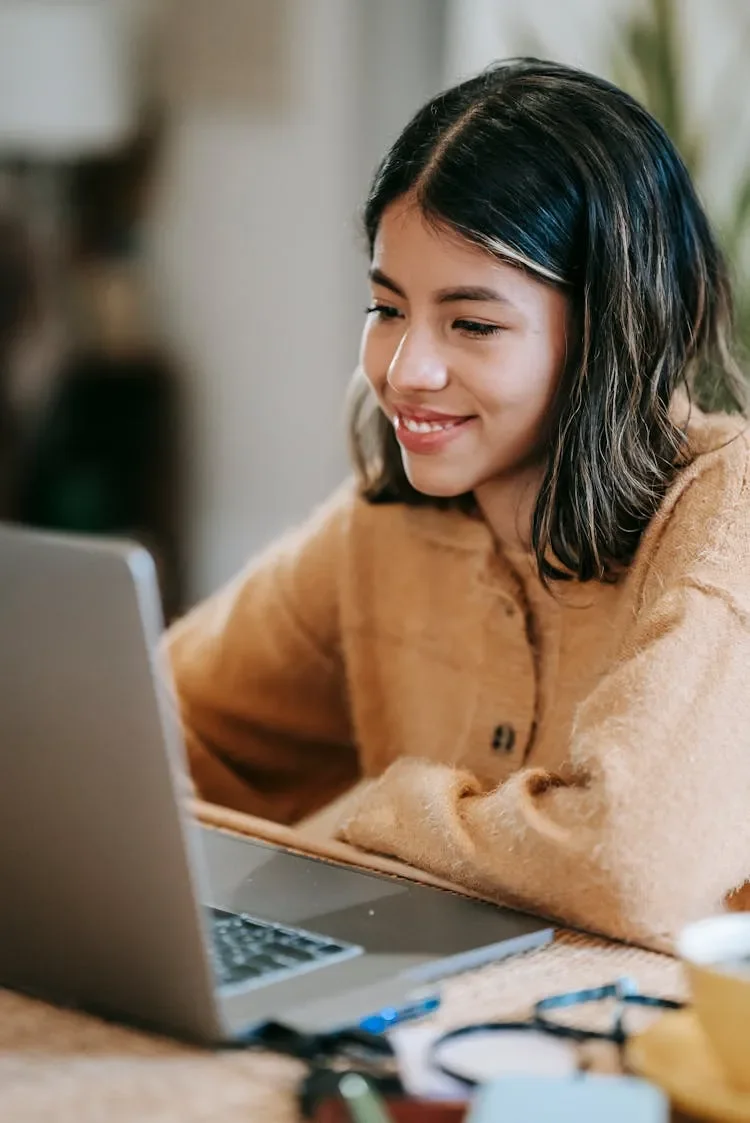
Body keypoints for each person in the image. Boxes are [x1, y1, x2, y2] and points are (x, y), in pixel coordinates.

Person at [165, 59, 750, 951]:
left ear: (612, 328)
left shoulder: (726, 508)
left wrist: (380, 807)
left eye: (471, 323)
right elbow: (159, 720)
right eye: (386, 306)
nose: (405, 373)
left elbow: (630, 863)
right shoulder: (386, 526)